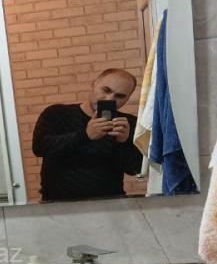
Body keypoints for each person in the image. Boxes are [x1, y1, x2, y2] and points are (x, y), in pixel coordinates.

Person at [31, 68, 143, 201]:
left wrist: (124, 143)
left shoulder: (127, 124)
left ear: (127, 99)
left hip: (110, 203)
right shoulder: (56, 114)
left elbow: (134, 169)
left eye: (120, 96)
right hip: (58, 203)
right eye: (106, 90)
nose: (109, 99)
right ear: (94, 84)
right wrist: (85, 135)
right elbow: (40, 147)